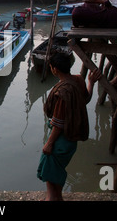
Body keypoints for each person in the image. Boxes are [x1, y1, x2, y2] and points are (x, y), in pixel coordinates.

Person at [37, 53, 101, 201]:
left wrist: (49, 143)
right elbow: (85, 99)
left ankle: (52, 199)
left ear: (55, 69)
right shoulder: (78, 81)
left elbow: (58, 123)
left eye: (52, 67)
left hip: (60, 139)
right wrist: (91, 82)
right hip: (71, 141)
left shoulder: (63, 92)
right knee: (56, 172)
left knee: (51, 177)